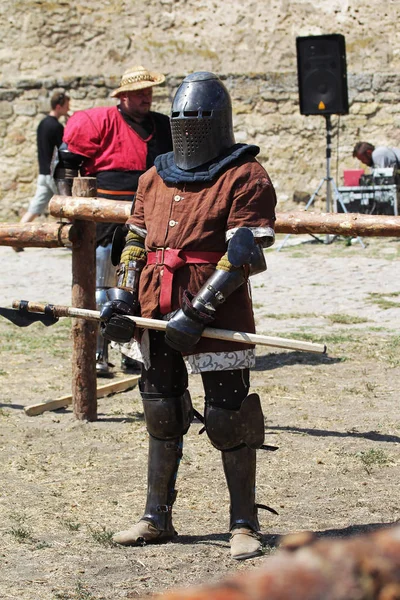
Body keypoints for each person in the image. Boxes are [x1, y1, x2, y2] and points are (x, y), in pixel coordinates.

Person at [100, 72, 277, 560]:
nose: (188, 125)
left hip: (215, 306)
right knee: (161, 409)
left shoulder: (245, 175)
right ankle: (156, 518)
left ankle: (243, 524)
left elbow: (246, 253)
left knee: (227, 416)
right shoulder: (153, 176)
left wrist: (198, 312)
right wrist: (122, 296)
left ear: (218, 121)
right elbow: (135, 240)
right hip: (155, 305)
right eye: (181, 117)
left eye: (197, 117)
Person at [56, 65, 173, 377]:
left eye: (149, 91)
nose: (146, 97)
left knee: (141, 285)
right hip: (104, 218)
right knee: (103, 285)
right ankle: (97, 352)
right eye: (139, 92)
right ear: (123, 98)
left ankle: (133, 350)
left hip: (150, 216)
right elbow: (67, 166)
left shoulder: (162, 127)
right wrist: (72, 209)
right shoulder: (99, 122)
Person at [14, 90, 70, 249]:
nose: (68, 108)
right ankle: (74, 239)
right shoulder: (56, 126)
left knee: (35, 208)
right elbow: (63, 148)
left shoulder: (42, 123)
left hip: (43, 173)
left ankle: (16, 238)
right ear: (59, 106)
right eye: (66, 106)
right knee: (68, 205)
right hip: (53, 173)